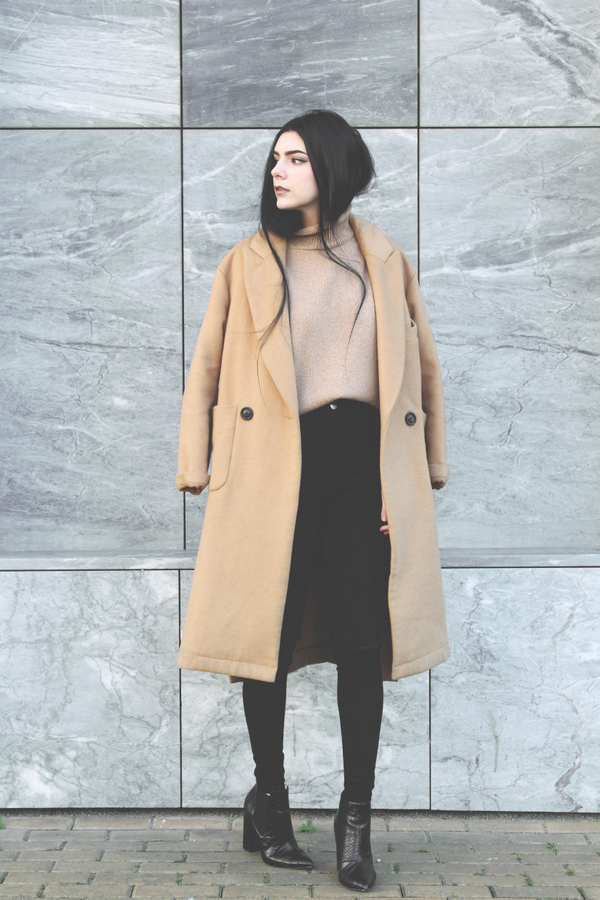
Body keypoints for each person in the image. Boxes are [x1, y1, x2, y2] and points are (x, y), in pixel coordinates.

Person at [176, 109, 450, 893]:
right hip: (272, 469)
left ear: (333, 166)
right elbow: (206, 369)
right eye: (276, 159)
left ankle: (355, 819)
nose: (279, 170)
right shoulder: (247, 261)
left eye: (295, 158)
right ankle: (270, 802)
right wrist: (197, 465)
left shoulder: (382, 257)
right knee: (267, 640)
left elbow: (423, 370)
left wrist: (417, 474)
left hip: (362, 469)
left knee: (364, 643)